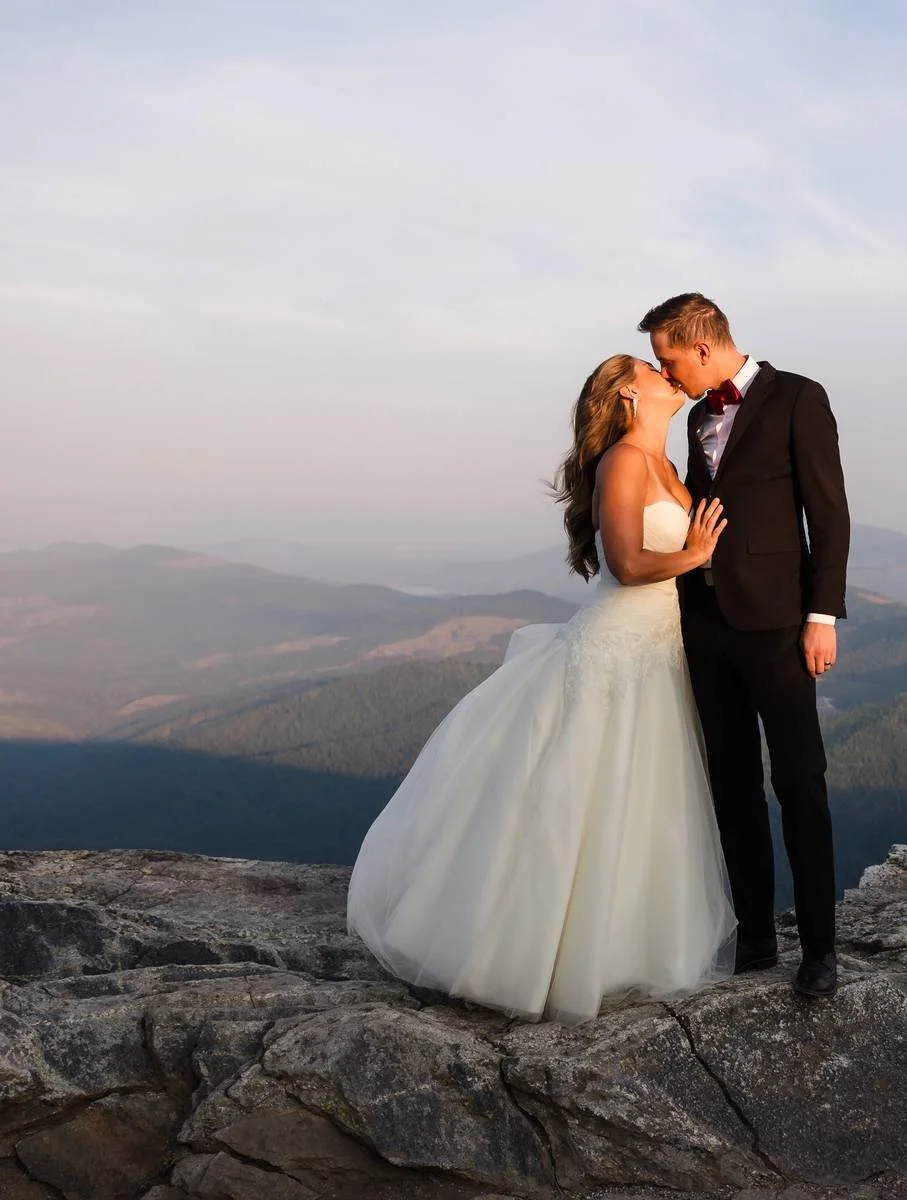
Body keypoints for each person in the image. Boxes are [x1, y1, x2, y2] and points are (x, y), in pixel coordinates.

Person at [345, 354, 738, 1023]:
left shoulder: (666, 467)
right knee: (577, 797)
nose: (669, 376)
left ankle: (623, 951)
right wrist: (696, 555)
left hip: (656, 649)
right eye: (653, 370)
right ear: (626, 395)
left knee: (642, 797)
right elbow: (628, 561)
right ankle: (525, 954)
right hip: (616, 646)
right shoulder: (621, 461)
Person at [640, 293, 851, 999]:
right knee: (731, 784)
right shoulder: (699, 415)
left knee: (799, 783)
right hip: (704, 626)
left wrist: (822, 615)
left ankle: (819, 950)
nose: (666, 374)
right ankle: (756, 937)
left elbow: (829, 512)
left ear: (702, 349)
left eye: (669, 359)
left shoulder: (799, 398)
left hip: (781, 625)